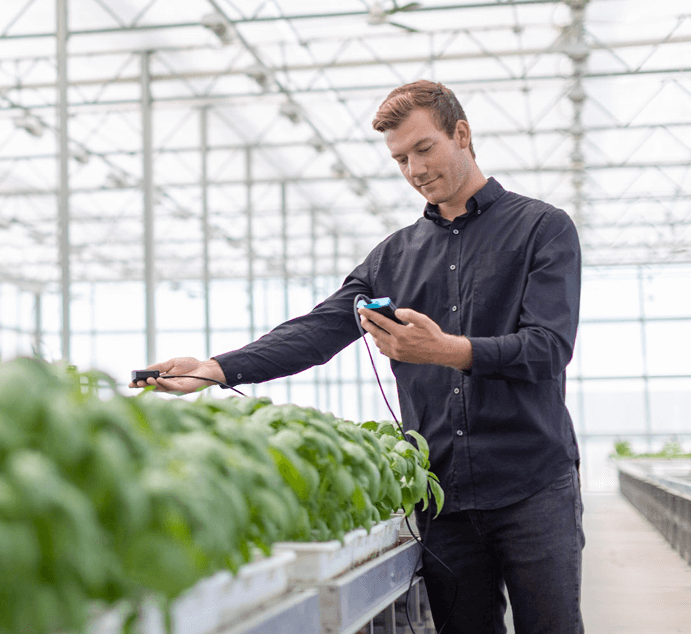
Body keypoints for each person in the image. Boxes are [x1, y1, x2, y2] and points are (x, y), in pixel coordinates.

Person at [130, 80, 584, 634]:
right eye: (399, 159)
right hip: (445, 500)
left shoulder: (542, 228)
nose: (414, 169)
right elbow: (319, 331)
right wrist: (216, 368)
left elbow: (548, 348)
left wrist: (445, 351)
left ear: (461, 134)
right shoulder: (393, 256)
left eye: (424, 149)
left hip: (532, 487)